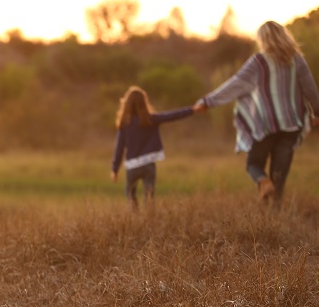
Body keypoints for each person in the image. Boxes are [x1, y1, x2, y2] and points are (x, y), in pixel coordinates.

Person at [194, 21, 319, 204]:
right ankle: (273, 218)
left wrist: (208, 101)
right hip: (292, 125)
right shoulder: (297, 59)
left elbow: (235, 84)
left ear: (263, 39)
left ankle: (263, 182)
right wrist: (317, 112)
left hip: (265, 125)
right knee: (279, 177)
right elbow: (310, 89)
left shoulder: (258, 62)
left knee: (253, 164)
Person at [111, 86, 194, 210]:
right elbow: (172, 115)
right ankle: (149, 220)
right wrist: (192, 110)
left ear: (126, 104)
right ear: (144, 102)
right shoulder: (151, 119)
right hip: (148, 165)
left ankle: (134, 221)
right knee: (149, 196)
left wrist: (115, 169)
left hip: (132, 166)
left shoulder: (124, 124)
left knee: (130, 195)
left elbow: (119, 148)